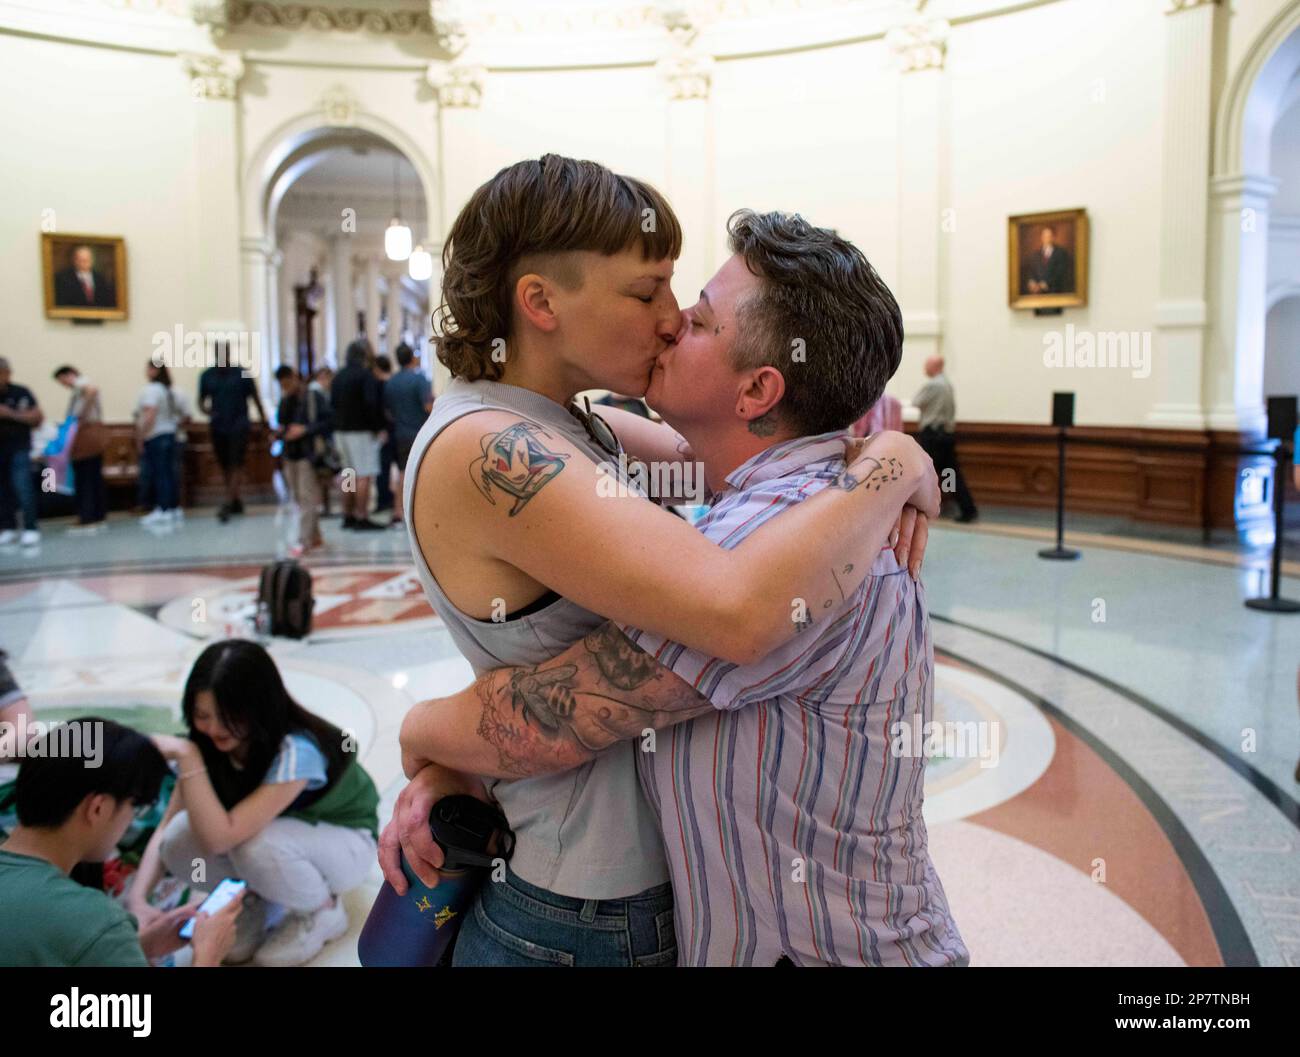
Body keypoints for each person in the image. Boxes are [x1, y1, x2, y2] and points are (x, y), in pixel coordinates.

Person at [380, 155, 938, 966]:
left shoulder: (570, 424)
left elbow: (720, 460)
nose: (672, 318)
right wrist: (890, 461)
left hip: (620, 889)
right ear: (539, 302)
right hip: (579, 898)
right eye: (648, 293)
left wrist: (889, 452)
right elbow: (733, 598)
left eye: (684, 299)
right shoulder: (494, 444)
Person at [134, 641, 380, 966]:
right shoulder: (205, 744)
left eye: (228, 716)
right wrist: (137, 899)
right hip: (284, 843)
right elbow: (167, 828)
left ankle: (322, 911)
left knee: (255, 845)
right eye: (203, 715)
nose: (214, 729)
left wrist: (188, 756)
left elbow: (223, 836)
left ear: (259, 707)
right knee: (179, 838)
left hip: (345, 844)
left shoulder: (296, 751)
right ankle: (250, 901)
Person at [0, 718, 241, 966]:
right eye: (133, 807)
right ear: (98, 808)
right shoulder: (93, 920)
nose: (129, 819)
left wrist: (139, 946)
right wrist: (208, 954)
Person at [199, 349, 267, 523]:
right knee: (225, 464)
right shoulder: (207, 375)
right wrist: (209, 411)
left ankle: (228, 502)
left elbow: (255, 396)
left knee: (236, 462)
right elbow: (201, 400)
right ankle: (235, 499)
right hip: (218, 426)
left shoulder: (242, 373)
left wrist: (263, 420)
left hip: (239, 425)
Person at [913, 355, 978, 523]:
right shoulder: (947, 384)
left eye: (926, 366)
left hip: (933, 436)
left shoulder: (933, 385)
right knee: (951, 473)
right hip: (946, 435)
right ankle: (965, 507)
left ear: (935, 367)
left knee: (926, 472)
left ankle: (925, 509)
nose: (924, 369)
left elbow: (916, 402)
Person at [273, 365, 330, 555]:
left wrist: (305, 430)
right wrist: (280, 433)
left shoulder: (313, 397)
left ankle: (304, 540)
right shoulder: (285, 400)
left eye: (287, 383)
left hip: (308, 454)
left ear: (295, 377)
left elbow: (328, 421)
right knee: (299, 497)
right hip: (290, 453)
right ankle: (315, 536)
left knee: (307, 497)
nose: (285, 387)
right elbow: (282, 423)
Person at [330, 339, 386, 531]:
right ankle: (362, 516)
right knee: (363, 474)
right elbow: (371, 404)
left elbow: (333, 404)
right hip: (360, 431)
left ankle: (347, 515)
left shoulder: (338, 376)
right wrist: (379, 427)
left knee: (348, 473)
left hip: (340, 431)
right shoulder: (365, 375)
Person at [382, 343, 433, 530]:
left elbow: (387, 411)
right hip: (419, 432)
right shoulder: (419, 380)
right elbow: (428, 406)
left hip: (400, 433)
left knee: (402, 472)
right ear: (412, 357)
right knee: (422, 472)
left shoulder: (391, 382)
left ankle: (398, 512)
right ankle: (421, 513)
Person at [53, 365, 108, 534]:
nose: (63, 385)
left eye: (62, 380)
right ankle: (97, 516)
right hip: (91, 435)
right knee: (93, 477)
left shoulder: (81, 383)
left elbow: (91, 391)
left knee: (84, 478)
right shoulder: (79, 387)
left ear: (69, 375)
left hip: (85, 436)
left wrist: (79, 419)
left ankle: (87, 517)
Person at [134, 360, 183, 527]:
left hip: (155, 435)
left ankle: (163, 508)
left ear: (154, 370)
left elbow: (150, 414)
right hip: (169, 434)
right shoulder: (166, 390)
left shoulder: (152, 390)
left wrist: (140, 436)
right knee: (169, 473)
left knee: (160, 474)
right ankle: (173, 506)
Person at [0, 358, 43, 546]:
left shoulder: (21, 392)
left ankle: (30, 527)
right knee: (2, 491)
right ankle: (7, 528)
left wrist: (10, 414)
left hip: (18, 448)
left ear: (7, 374)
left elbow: (37, 418)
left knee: (23, 487)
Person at [373, 354, 396, 516]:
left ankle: (384, 500)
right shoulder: (394, 382)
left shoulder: (380, 385)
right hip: (399, 430)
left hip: (385, 432)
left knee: (383, 468)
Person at [1023, 224, 1074, 295]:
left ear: (1053, 237)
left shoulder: (1061, 253)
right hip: (1037, 295)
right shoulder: (1036, 254)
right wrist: (1032, 283)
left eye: (1049, 236)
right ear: (1041, 237)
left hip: (1054, 293)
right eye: (1044, 236)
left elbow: (1060, 274)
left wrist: (1043, 285)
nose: (1046, 238)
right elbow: (1031, 272)